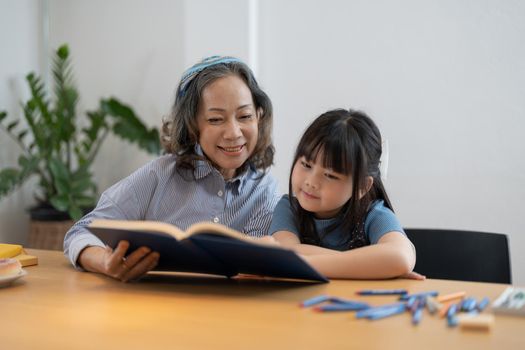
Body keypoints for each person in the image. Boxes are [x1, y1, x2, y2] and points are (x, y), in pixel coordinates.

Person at [64, 56, 280, 282]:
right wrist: (105, 262)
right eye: (216, 119)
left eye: (245, 116)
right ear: (192, 125)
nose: (234, 133)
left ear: (259, 116)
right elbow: (81, 232)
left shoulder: (266, 192)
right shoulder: (158, 175)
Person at [267, 108, 421, 279]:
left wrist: (299, 264)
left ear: (362, 186)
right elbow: (285, 253)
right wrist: (373, 266)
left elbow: (400, 257)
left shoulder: (373, 215)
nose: (311, 181)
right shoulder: (288, 208)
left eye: (330, 175)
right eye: (306, 165)